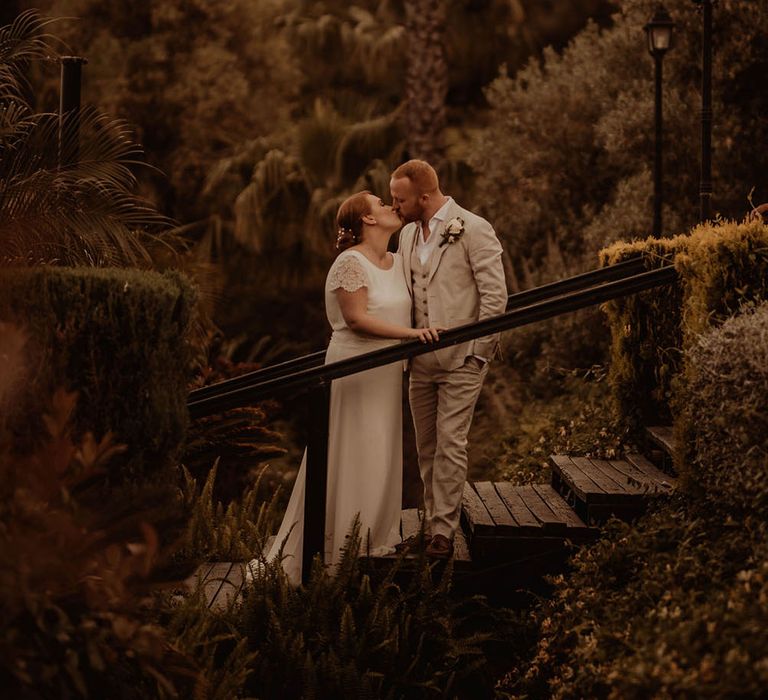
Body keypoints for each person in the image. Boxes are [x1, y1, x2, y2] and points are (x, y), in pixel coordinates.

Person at [249, 191, 442, 585]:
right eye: (381, 203)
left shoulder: (397, 262)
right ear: (367, 220)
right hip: (355, 369)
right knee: (354, 449)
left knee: (381, 450)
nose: (391, 206)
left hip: (385, 374)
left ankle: (372, 539)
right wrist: (412, 335)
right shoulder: (349, 262)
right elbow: (355, 320)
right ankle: (335, 551)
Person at [391, 159, 507, 560]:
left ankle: (443, 533)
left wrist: (479, 353)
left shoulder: (474, 228)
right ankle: (429, 525)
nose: (395, 206)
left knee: (451, 443)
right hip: (418, 362)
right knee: (427, 446)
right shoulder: (405, 235)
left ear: (424, 196)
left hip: (462, 358)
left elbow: (495, 297)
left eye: (400, 199)